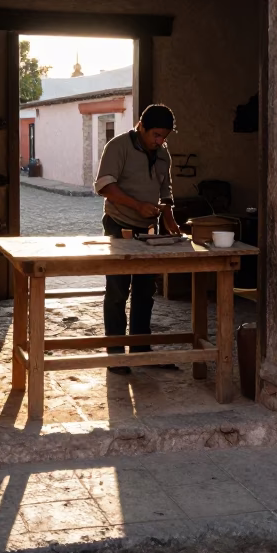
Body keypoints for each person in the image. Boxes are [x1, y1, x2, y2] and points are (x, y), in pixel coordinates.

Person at [94, 104, 182, 373]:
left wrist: (170, 223)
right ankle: (116, 354)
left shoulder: (162, 153)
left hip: (149, 230)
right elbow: (105, 186)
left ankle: (141, 348)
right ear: (141, 127)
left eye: (164, 136)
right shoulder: (118, 146)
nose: (160, 141)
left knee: (146, 290)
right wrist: (136, 205)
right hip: (118, 224)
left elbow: (165, 193)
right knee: (118, 290)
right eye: (156, 135)